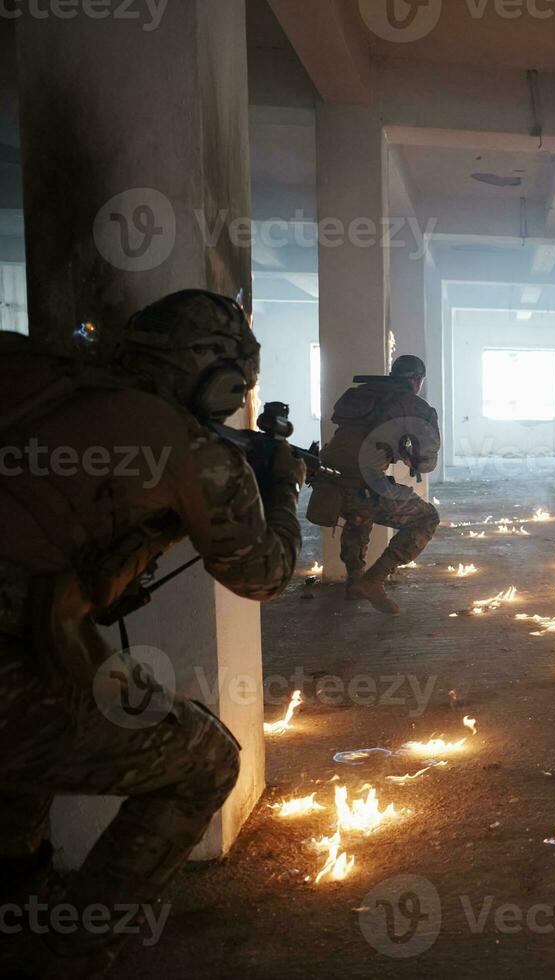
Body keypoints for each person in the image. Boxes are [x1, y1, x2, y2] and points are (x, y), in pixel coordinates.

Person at [0, 290, 304, 975]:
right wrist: (281, 489)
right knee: (205, 762)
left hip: (27, 647)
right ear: (217, 378)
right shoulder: (189, 449)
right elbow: (263, 575)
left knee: (45, 731)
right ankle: (75, 953)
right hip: (12, 662)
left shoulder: (37, 375)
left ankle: (17, 892)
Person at [316, 355, 441, 615]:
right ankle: (374, 579)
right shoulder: (414, 406)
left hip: (330, 479)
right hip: (363, 483)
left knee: (358, 516)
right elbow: (427, 462)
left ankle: (354, 581)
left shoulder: (360, 394)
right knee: (426, 518)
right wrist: (410, 456)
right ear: (417, 380)